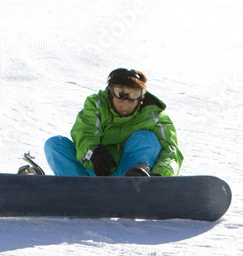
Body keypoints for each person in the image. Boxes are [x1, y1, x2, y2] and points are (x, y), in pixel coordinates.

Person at [44, 68, 183, 178]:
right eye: (120, 99)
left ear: (141, 97)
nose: (125, 106)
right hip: (92, 172)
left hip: (127, 175)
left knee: (147, 138)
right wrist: (94, 153)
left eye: (132, 99)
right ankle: (76, 188)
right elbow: (85, 133)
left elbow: (171, 150)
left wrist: (160, 175)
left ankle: (134, 184)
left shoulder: (154, 116)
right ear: (110, 94)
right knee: (54, 144)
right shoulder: (97, 105)